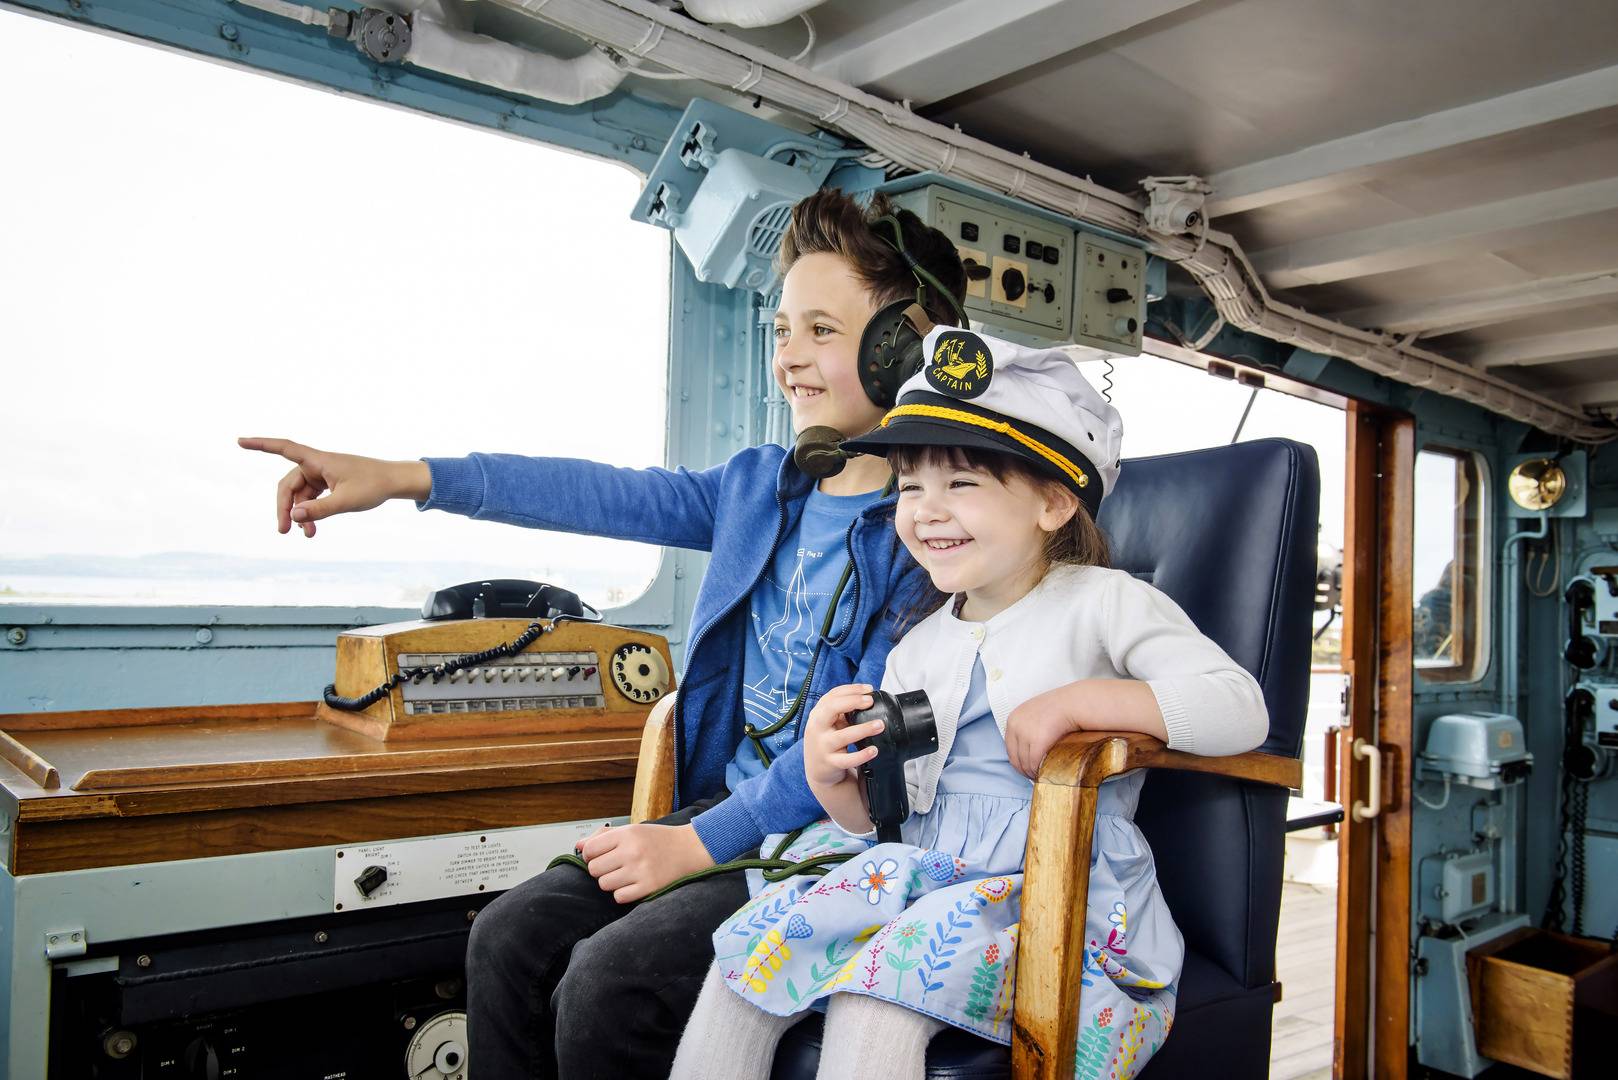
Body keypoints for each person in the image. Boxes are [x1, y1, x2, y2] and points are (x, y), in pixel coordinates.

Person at [238, 188, 964, 1078]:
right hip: (717, 820)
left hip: (825, 846)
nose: (790, 357)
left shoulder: (930, 530)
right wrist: (403, 476)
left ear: (903, 348)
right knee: (506, 938)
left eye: (822, 330)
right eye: (781, 331)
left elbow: (858, 752)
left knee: (606, 981)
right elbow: (592, 491)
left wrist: (697, 844)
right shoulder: (755, 487)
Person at [669, 325, 1271, 1080]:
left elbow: (1238, 706)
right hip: (912, 871)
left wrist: (1083, 702)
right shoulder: (918, 643)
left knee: (877, 996)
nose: (925, 509)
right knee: (744, 971)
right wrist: (835, 782)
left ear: (1053, 502)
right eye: (911, 486)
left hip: (1047, 892)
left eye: (961, 485)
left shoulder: (1107, 604)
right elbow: (887, 816)